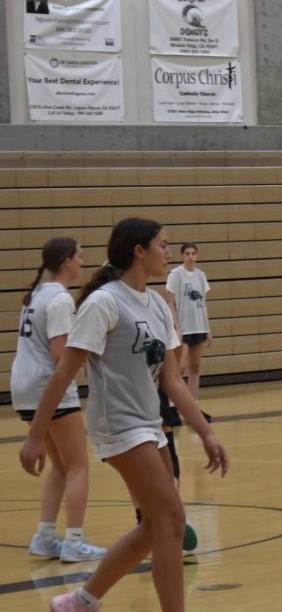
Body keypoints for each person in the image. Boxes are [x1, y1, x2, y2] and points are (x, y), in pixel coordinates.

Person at [19, 218, 229, 612]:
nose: (168, 253)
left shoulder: (154, 304)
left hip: (149, 424)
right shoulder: (104, 303)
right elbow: (63, 371)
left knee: (154, 526)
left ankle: (82, 600)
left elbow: (173, 381)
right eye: (162, 245)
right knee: (171, 519)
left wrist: (206, 433)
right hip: (118, 426)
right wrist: (34, 436)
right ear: (139, 250)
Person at [11, 237, 107, 563]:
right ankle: (75, 541)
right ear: (67, 260)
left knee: (62, 466)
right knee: (78, 463)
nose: (83, 262)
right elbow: (59, 356)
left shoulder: (36, 294)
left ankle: (45, 535)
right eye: (80, 256)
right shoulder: (61, 300)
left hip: (22, 387)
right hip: (46, 387)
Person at [165, 243, 212, 421]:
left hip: (199, 327)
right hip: (183, 329)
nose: (190, 256)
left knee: (195, 368)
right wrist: (176, 328)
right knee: (179, 369)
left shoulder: (201, 276)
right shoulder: (175, 275)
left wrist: (208, 329)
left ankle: (194, 407)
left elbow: (203, 304)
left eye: (193, 253)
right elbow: (170, 303)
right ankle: (171, 406)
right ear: (182, 256)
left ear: (197, 255)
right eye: (187, 253)